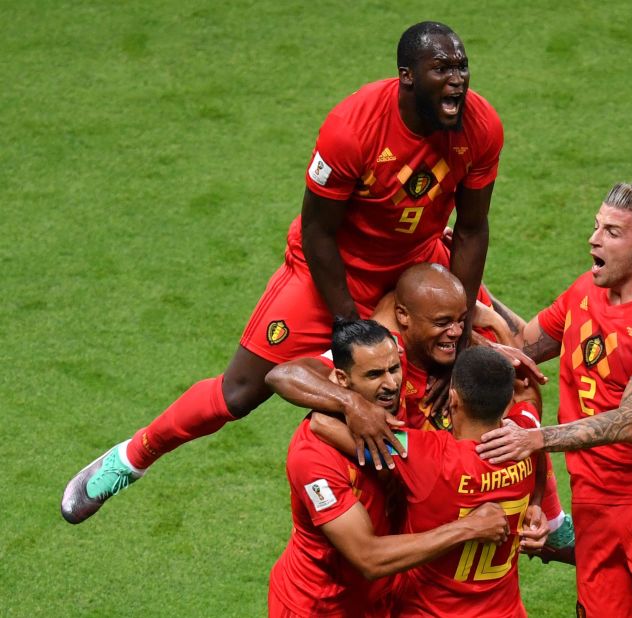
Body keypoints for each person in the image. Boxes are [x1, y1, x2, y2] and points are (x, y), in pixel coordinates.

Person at [62, 21, 505, 524]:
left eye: (461, 67)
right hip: (333, 272)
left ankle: (543, 518)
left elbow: (471, 230)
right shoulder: (352, 128)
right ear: (406, 76)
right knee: (240, 392)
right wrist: (347, 324)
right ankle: (130, 458)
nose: (457, 81)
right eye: (441, 69)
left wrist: (461, 325)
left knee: (479, 369)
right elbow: (318, 232)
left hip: (416, 270)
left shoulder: (482, 126)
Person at [476, 183, 632, 617]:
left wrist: (537, 438)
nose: (594, 238)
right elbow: (524, 347)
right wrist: (478, 300)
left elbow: (629, 421)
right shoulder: (585, 291)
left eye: (612, 232)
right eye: (596, 226)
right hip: (594, 505)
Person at [268, 262, 574, 556]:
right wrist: (353, 404)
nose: (456, 332)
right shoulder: (388, 355)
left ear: (453, 400)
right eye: (443, 323)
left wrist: (487, 331)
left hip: (415, 533)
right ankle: (557, 521)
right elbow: (283, 374)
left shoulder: (427, 456)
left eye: (461, 320)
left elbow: (327, 425)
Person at [268, 318, 510, 617]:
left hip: (386, 599)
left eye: (394, 369)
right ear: (343, 381)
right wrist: (468, 528)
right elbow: (368, 559)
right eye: (374, 375)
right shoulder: (314, 456)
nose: (392, 384)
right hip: (322, 606)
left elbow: (412, 307)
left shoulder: (387, 373)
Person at [311, 346, 548, 617]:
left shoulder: (427, 454)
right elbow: (529, 395)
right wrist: (536, 502)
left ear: (453, 399)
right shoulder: (527, 436)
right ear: (508, 404)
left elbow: (321, 424)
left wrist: (351, 405)